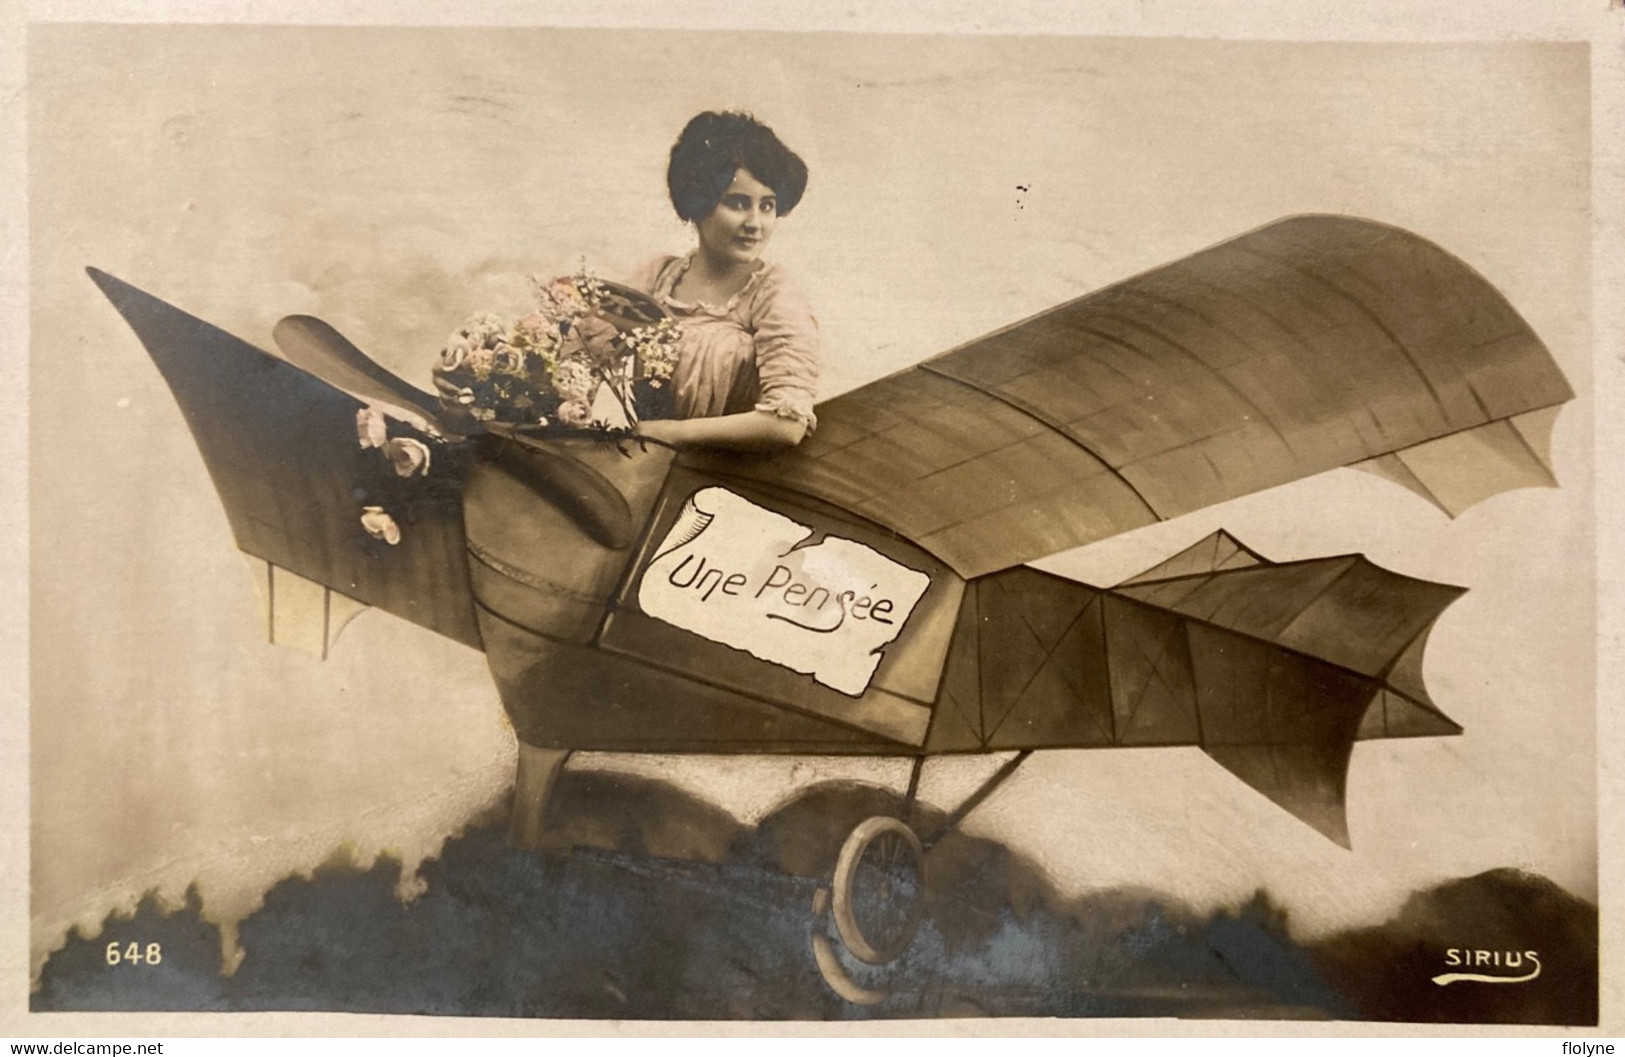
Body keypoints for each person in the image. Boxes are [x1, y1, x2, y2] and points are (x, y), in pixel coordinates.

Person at [628, 110, 818, 452]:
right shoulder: (656, 277)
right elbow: (581, 361)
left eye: (767, 206)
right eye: (738, 203)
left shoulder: (774, 294)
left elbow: (788, 422)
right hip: (643, 465)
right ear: (698, 204)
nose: (755, 223)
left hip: (728, 479)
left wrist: (673, 433)